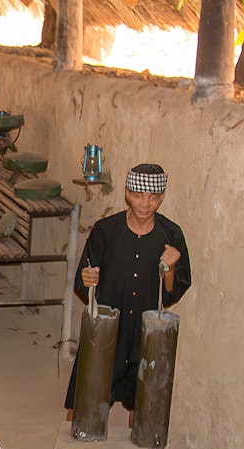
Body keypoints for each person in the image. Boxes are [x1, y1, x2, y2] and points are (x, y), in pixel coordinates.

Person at [64, 163, 192, 423]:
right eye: (138, 195)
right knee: (80, 412)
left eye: (153, 198)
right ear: (127, 193)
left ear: (161, 197)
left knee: (143, 416)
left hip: (145, 338)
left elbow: (172, 295)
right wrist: (89, 280)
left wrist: (169, 270)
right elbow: (83, 280)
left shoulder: (171, 235)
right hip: (106, 334)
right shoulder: (106, 231)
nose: (145, 204)